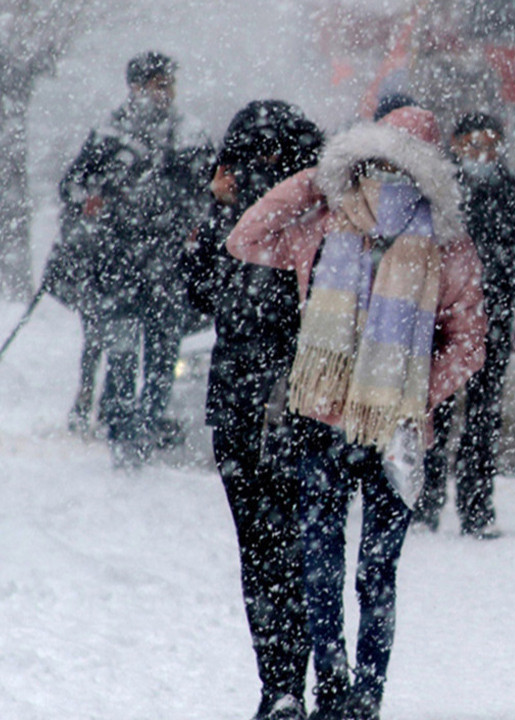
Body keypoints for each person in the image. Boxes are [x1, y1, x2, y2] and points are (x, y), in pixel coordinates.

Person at [227, 106, 487, 720]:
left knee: (326, 560)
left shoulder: (326, 223)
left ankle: (338, 687)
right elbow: (469, 344)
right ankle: (363, 693)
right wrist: (413, 397)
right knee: (374, 570)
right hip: (384, 432)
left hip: (333, 420)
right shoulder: (433, 241)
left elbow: (247, 234)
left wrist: (317, 180)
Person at [182, 100, 324, 720]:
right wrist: (214, 206)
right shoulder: (236, 219)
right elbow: (193, 290)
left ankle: (292, 681)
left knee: (287, 551)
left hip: (292, 400)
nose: (259, 169)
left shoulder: (313, 216)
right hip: (250, 404)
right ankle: (283, 684)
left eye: (269, 155)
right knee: (271, 551)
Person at [57, 51, 213, 464]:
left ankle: (144, 433)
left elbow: (209, 192)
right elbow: (71, 186)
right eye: (159, 85)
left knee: (162, 358)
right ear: (137, 88)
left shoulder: (189, 134)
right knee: (123, 356)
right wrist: (90, 198)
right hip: (118, 266)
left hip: (167, 267)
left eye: (169, 84)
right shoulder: (109, 135)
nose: (166, 93)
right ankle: (124, 436)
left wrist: (198, 220)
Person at [410, 112, 515, 537]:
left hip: (494, 319)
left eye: (491, 145)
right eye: (474, 145)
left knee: (483, 418)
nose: (483, 154)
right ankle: (425, 503)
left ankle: (477, 508)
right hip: (443, 320)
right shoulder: (438, 189)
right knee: (436, 414)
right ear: (456, 144)